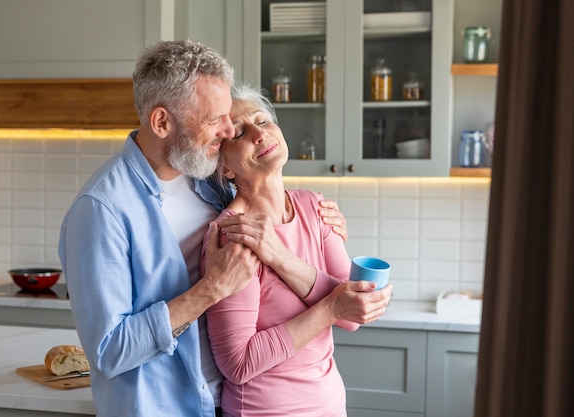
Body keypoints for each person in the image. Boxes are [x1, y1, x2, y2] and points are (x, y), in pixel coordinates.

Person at [57, 40, 349, 417]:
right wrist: (211, 289)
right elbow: (110, 352)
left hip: (223, 404)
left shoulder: (208, 181)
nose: (228, 130)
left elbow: (263, 190)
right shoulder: (101, 211)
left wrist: (321, 221)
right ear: (162, 122)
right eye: (215, 119)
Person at [200, 84, 393, 417]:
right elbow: (239, 363)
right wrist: (330, 308)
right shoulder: (233, 235)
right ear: (225, 167)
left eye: (262, 120)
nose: (259, 134)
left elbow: (352, 316)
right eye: (240, 133)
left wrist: (279, 256)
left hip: (329, 403)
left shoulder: (315, 207)